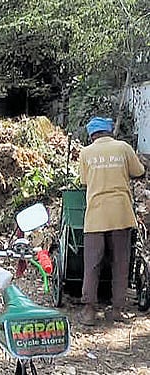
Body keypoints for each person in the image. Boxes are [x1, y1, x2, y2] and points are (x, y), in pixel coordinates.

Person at [78, 117, 145, 325]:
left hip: (96, 216)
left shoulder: (86, 153)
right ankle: (117, 310)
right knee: (121, 263)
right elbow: (139, 172)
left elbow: (84, 181)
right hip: (120, 213)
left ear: (92, 135)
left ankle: (89, 311)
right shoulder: (123, 148)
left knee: (92, 264)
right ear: (109, 132)